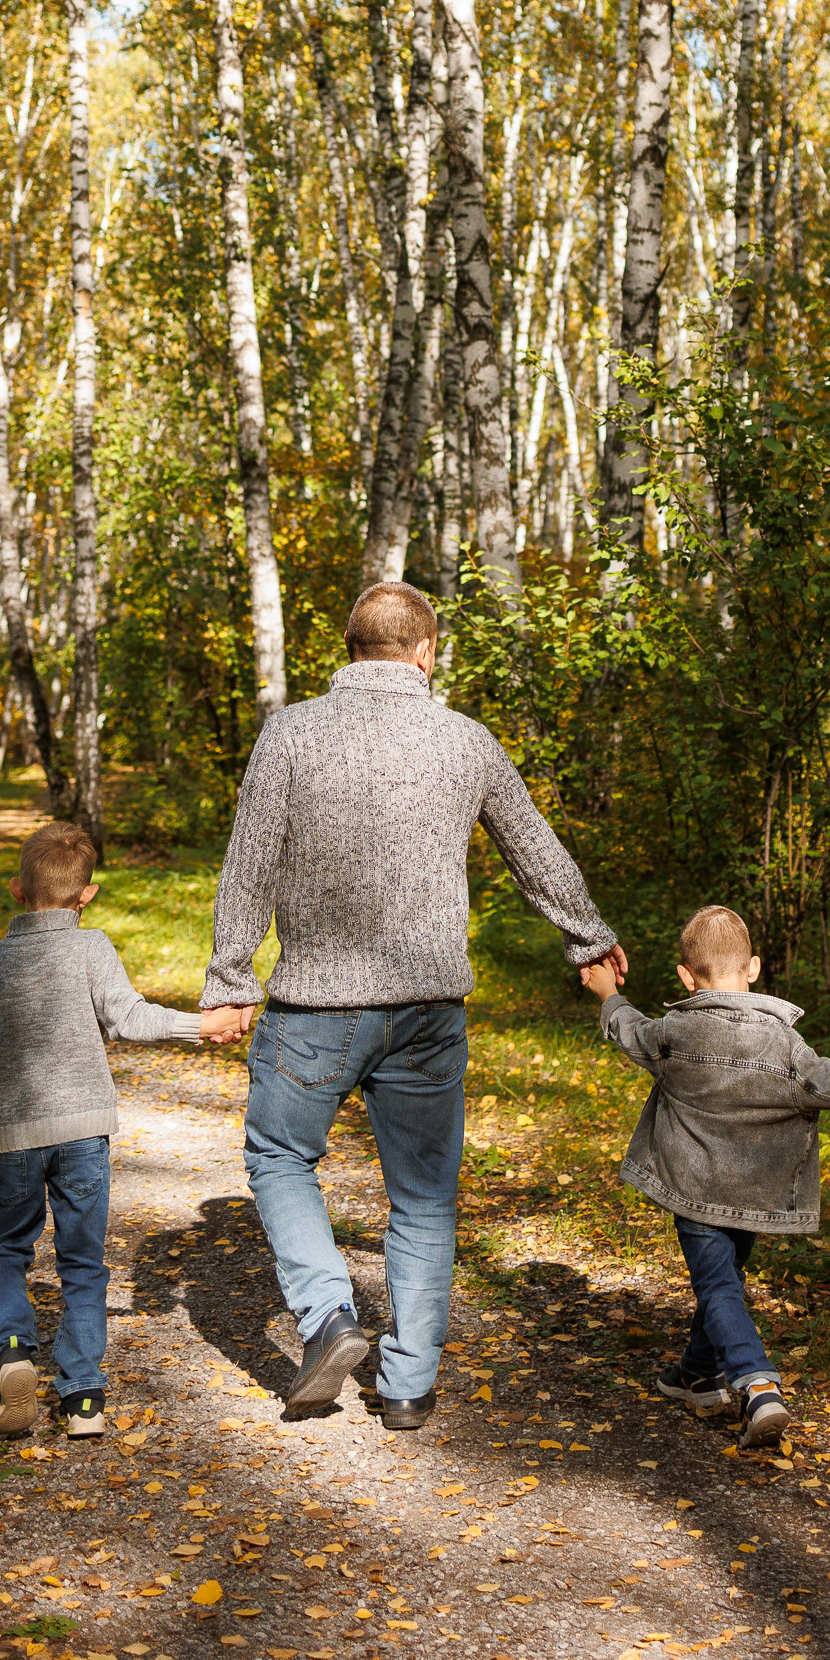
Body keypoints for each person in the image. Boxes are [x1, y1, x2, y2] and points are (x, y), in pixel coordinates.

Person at [198, 581, 625, 1432]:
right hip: (429, 1006)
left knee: (281, 1156)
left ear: (350, 650)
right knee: (422, 1197)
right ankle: (408, 1385)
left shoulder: (289, 734)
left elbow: (248, 864)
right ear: (425, 652)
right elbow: (533, 850)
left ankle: (327, 1319)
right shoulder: (464, 740)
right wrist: (588, 936)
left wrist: (231, 979)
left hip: (315, 1003)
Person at [583, 903, 830, 1450]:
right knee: (723, 1284)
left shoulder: (676, 1030)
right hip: (756, 1192)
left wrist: (607, 993)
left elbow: (630, 1030)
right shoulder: (785, 1044)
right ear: (755, 967)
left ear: (685, 978)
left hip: (695, 1192)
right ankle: (696, 1374)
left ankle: (757, 1383)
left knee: (717, 1286)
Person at [0, 819, 243, 1439]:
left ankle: (11, 1352)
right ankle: (83, 1396)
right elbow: (130, 1018)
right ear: (87, 895)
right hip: (84, 1134)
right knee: (82, 1261)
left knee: (5, 1250)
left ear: (14, 889)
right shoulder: (93, 948)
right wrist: (203, 1025)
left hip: (11, 1138)